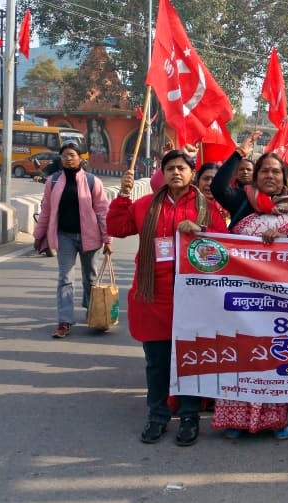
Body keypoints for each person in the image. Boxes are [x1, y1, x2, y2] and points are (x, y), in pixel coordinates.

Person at [210, 132, 288, 440]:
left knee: (275, 358)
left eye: (276, 171)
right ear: (256, 176)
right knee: (241, 356)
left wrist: (284, 243)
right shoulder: (242, 202)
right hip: (240, 299)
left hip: (280, 302)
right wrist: (238, 153)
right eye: (265, 171)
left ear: (284, 178)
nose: (271, 175)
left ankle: (274, 421)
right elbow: (217, 187)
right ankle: (235, 420)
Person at [107, 147, 228, 447]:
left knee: (190, 359)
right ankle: (157, 415)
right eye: (170, 167)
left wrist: (201, 230)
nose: (176, 172)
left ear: (192, 174)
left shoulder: (207, 209)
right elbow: (117, 228)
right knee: (157, 362)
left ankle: (189, 416)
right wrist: (122, 199)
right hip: (154, 296)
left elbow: (222, 247)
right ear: (163, 173)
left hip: (194, 299)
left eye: (182, 167)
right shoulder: (145, 205)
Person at [33, 141, 112, 338]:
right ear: (60, 158)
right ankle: (64, 321)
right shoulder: (52, 182)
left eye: (72, 155)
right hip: (64, 236)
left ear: (80, 158)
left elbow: (103, 212)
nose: (69, 158)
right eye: (65, 155)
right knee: (65, 278)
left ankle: (93, 312)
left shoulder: (93, 182)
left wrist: (107, 239)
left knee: (90, 278)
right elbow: (46, 211)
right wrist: (38, 235)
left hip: (90, 236)